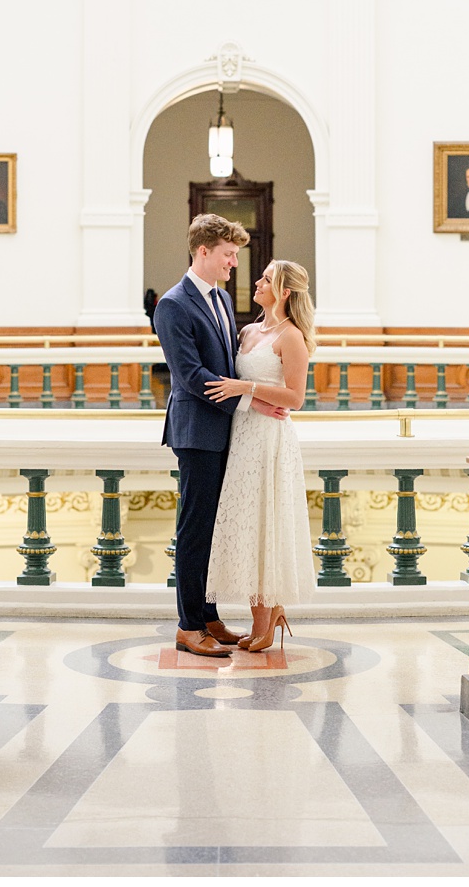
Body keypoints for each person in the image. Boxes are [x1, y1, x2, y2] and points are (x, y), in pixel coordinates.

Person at [154, 214, 288, 658]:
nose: (235, 263)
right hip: (196, 431)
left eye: (236, 255)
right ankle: (189, 626)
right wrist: (252, 404)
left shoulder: (224, 300)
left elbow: (232, 364)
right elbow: (191, 376)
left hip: (228, 429)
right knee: (194, 530)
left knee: (214, 529)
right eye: (229, 255)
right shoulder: (172, 305)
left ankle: (210, 617)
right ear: (203, 251)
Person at [203, 258, 317, 651]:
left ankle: (266, 620)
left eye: (266, 279)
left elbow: (295, 398)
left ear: (284, 291)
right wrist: (248, 396)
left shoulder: (292, 336)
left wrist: (246, 387)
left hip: (271, 440)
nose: (257, 281)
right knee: (250, 526)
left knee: (267, 523)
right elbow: (240, 392)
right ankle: (263, 617)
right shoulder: (248, 331)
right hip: (244, 434)